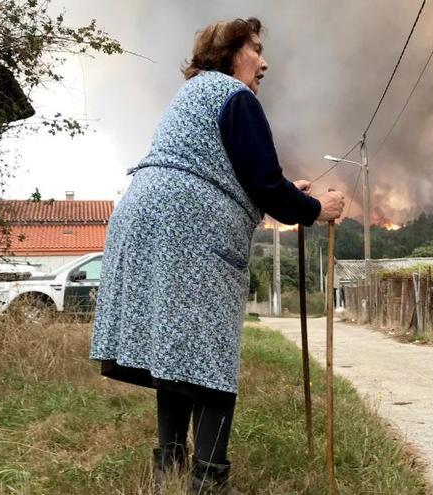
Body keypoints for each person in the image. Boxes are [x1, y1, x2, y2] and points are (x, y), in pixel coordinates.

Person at [89, 17, 345, 495]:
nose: (264, 62)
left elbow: (242, 176)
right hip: (188, 231)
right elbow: (264, 184)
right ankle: (208, 481)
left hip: (145, 218)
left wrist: (288, 193)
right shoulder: (236, 96)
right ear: (230, 53)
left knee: (176, 348)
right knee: (207, 352)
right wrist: (314, 209)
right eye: (256, 50)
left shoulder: (191, 95)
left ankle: (169, 469)